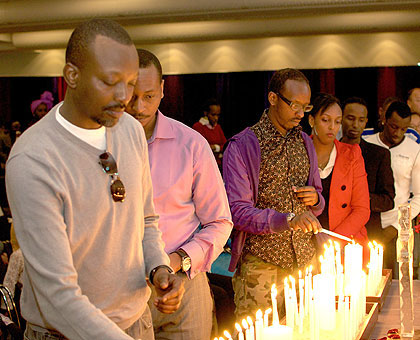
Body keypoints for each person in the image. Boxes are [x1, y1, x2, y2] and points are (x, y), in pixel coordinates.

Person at [6, 19, 184, 340]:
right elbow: (57, 297)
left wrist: (159, 268)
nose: (124, 96)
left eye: (129, 83)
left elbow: (146, 219)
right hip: (63, 333)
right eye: (109, 81)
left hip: (136, 323)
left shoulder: (129, 130)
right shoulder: (33, 159)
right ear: (71, 75)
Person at [126, 49, 232, 339]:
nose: (138, 107)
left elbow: (220, 221)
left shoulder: (191, 144)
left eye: (148, 96)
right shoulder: (101, 144)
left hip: (184, 282)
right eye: (131, 95)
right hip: (121, 290)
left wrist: (178, 262)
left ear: (162, 89)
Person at [223, 68, 325, 319]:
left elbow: (318, 197)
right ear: (272, 98)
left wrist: (316, 198)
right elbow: (237, 211)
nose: (301, 113)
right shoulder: (243, 145)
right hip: (262, 264)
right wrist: (287, 220)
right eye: (294, 105)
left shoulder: (305, 142)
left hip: (304, 261)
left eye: (306, 106)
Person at [364, 101, 420, 274]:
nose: (397, 133)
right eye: (394, 127)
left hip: (396, 224)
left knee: (396, 278)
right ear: (384, 120)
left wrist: (396, 225)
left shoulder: (414, 149)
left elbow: (418, 196)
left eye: (403, 129)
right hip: (366, 220)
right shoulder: (366, 142)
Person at [341, 97, 395, 251]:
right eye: (350, 118)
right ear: (341, 119)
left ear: (366, 122)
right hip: (335, 232)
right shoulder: (329, 152)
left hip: (369, 233)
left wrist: (359, 199)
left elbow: (388, 200)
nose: (355, 125)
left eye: (361, 120)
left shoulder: (379, 155)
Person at [192, 99, 227, 168]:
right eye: (213, 115)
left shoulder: (218, 127)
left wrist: (215, 147)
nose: (216, 118)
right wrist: (218, 149)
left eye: (218, 115)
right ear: (206, 113)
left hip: (218, 165)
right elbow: (203, 148)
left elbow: (226, 146)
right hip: (204, 165)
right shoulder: (198, 127)